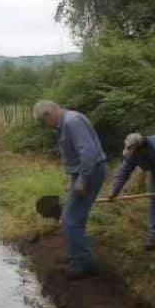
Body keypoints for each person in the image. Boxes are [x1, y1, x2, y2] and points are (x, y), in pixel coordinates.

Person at [34, 100, 107, 279]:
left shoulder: (71, 121)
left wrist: (82, 179)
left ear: (48, 113)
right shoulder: (69, 121)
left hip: (89, 172)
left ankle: (87, 263)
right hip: (85, 172)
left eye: (45, 121)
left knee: (70, 221)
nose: (47, 125)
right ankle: (76, 256)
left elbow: (88, 151)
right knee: (76, 218)